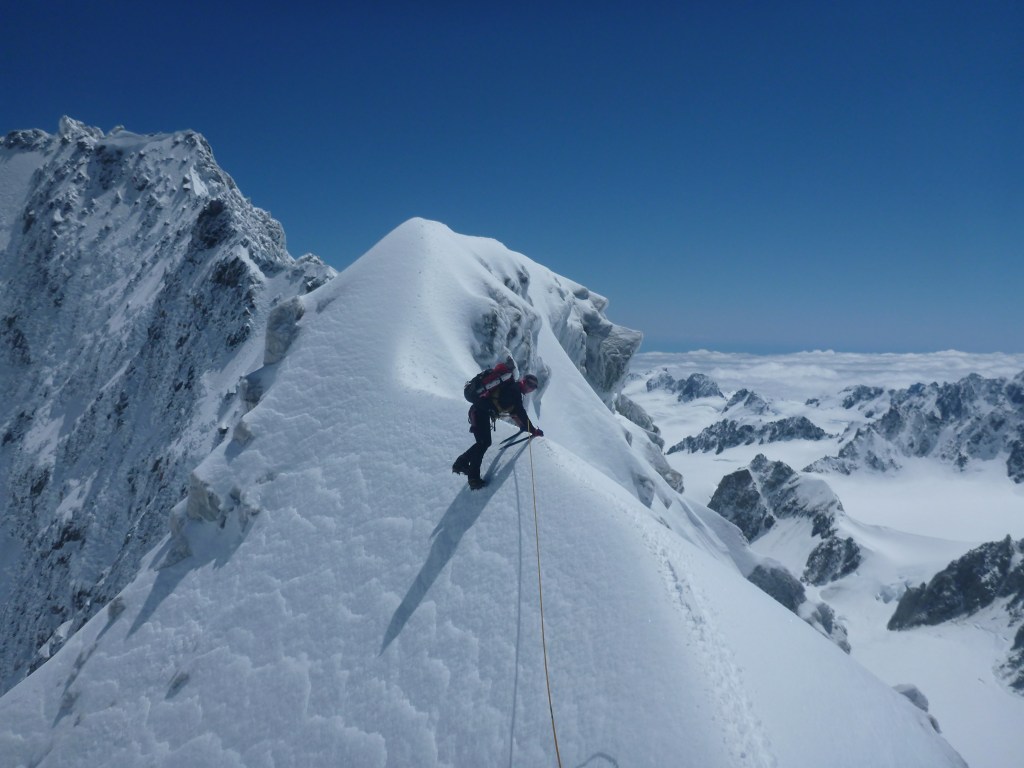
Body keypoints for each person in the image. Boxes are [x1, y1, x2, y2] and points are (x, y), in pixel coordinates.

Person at [452, 361, 543, 489]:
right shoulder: (515, 390)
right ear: (523, 381)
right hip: (480, 412)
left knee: (483, 443)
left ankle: (461, 463)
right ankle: (473, 478)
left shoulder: (511, 390)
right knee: (484, 443)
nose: (530, 388)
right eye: (529, 384)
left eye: (533, 387)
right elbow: (520, 412)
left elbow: (514, 413)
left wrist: (523, 427)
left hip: (478, 411)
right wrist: (533, 430)